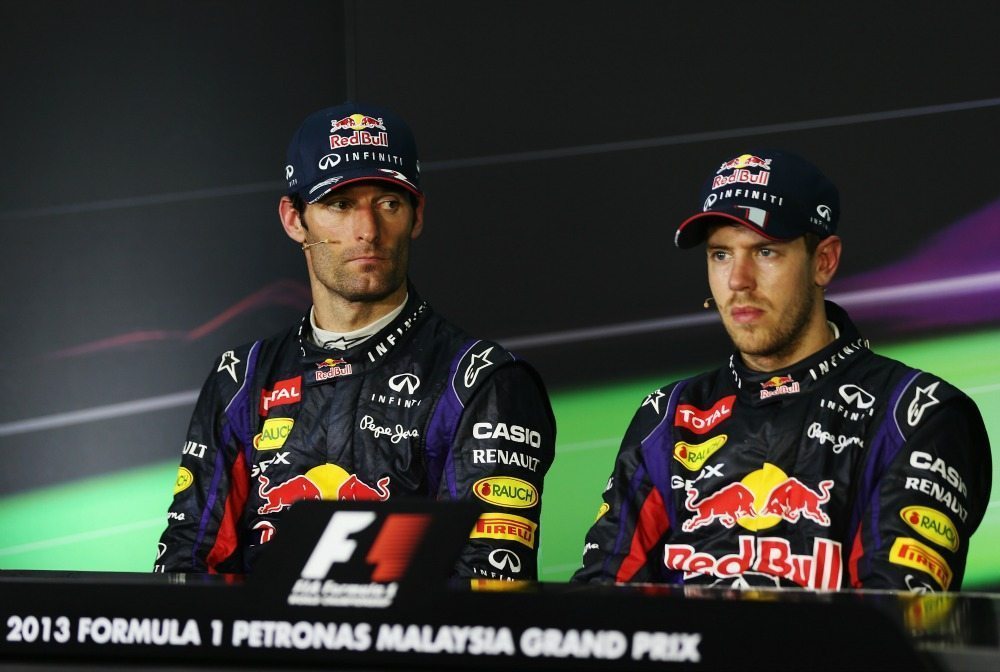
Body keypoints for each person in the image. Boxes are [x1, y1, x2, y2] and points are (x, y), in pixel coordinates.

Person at [154, 102, 556, 580]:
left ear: (417, 215)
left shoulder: (483, 383)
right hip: (267, 655)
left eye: (388, 203)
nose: (368, 231)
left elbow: (485, 591)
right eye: (339, 204)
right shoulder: (240, 379)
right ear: (294, 219)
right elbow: (187, 568)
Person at [572, 150, 991, 590]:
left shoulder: (919, 417)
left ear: (824, 261)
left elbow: (893, 625)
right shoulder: (667, 416)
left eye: (765, 251)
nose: (738, 280)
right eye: (720, 254)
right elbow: (602, 602)